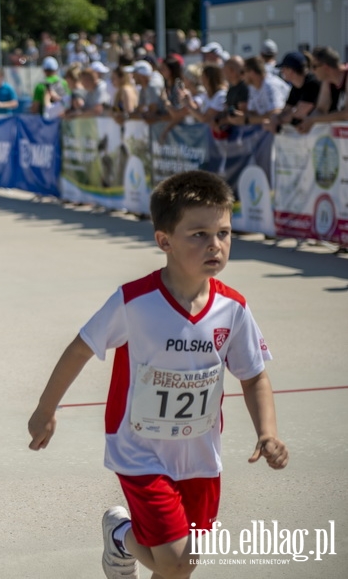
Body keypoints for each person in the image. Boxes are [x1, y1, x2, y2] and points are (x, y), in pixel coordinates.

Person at [28, 170, 289, 579]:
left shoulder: (233, 309)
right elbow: (81, 348)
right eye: (198, 234)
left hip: (201, 456)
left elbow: (253, 375)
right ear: (164, 240)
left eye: (223, 233)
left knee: (181, 566)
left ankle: (125, 542)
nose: (215, 245)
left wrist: (267, 432)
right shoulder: (135, 302)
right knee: (172, 559)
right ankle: (119, 534)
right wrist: (46, 409)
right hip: (139, 450)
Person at [225, 56, 288, 128]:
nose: (241, 76)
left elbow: (275, 113)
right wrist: (241, 116)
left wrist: (247, 119)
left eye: (243, 72)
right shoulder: (253, 87)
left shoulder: (270, 85)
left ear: (252, 72)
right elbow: (253, 112)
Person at [265, 51, 320, 133]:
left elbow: (299, 113)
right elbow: (286, 111)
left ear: (291, 70)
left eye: (283, 68)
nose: (282, 71)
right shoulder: (296, 87)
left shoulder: (312, 83)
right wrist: (275, 118)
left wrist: (277, 120)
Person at [297, 46, 348, 133]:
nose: (312, 71)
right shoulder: (328, 80)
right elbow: (321, 109)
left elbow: (346, 114)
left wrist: (313, 120)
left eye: (314, 66)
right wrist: (307, 122)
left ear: (325, 67)